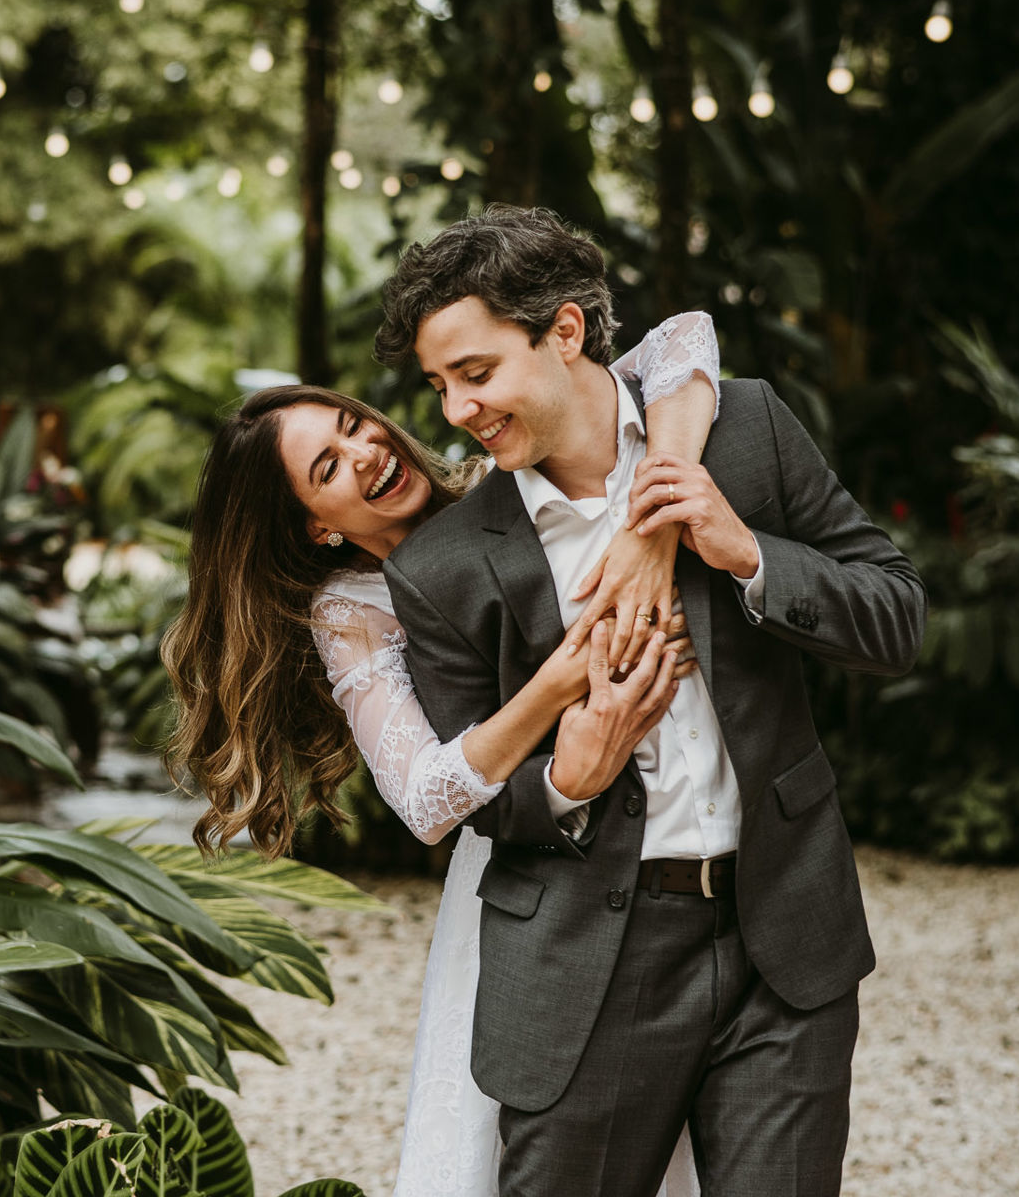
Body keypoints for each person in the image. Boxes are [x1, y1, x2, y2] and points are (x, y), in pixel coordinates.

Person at [376, 205, 926, 1197]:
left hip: (783, 939)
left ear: (565, 332)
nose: (457, 408)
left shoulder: (744, 431)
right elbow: (479, 796)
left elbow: (896, 616)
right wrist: (568, 777)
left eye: (476, 371)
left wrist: (745, 550)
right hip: (584, 966)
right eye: (439, 384)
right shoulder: (442, 567)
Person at [164, 311, 724, 1196]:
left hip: (678, 829)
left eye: (352, 425)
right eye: (327, 468)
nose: (366, 453)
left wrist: (660, 502)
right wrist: (559, 683)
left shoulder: (506, 473)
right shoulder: (354, 609)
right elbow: (426, 799)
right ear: (314, 526)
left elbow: (684, 337)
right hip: (527, 879)